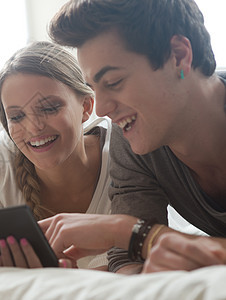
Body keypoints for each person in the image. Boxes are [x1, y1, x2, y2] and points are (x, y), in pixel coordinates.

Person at [39, 0, 226, 274]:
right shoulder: (133, 136)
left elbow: (134, 237)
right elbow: (128, 262)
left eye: (114, 82)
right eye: (93, 88)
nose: (101, 109)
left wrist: (127, 231)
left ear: (178, 55)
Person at [0, 41, 113, 269]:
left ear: (86, 107)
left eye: (49, 108)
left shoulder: (122, 152)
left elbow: (147, 250)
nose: (33, 128)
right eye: (17, 117)